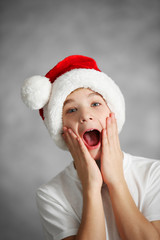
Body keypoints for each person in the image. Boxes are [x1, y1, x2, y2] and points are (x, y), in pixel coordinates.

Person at [21, 55, 160, 240]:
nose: (85, 116)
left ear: (113, 115)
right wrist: (91, 187)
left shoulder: (154, 173)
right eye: (71, 110)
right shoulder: (50, 195)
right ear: (62, 131)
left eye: (95, 104)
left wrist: (116, 180)